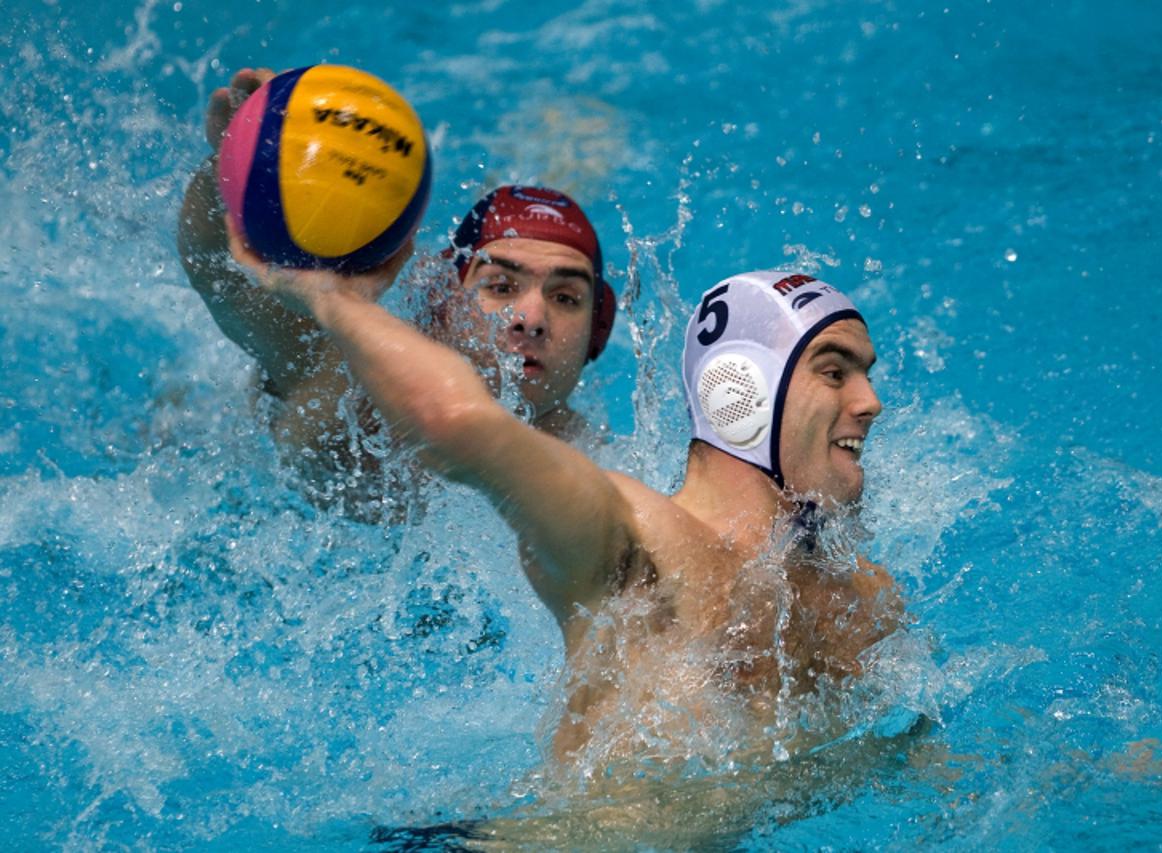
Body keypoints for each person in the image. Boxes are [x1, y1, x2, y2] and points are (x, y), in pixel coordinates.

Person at [227, 227, 902, 772]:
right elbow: (456, 424)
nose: (869, 403)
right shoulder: (635, 538)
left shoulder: (859, 598)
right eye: (835, 371)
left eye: (865, 376)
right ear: (742, 392)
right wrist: (331, 299)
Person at [177, 68, 616, 513]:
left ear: (597, 332)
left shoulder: (595, 464)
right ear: (443, 301)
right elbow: (217, 274)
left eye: (565, 298)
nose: (532, 319)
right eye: (501, 286)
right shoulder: (351, 381)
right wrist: (232, 165)